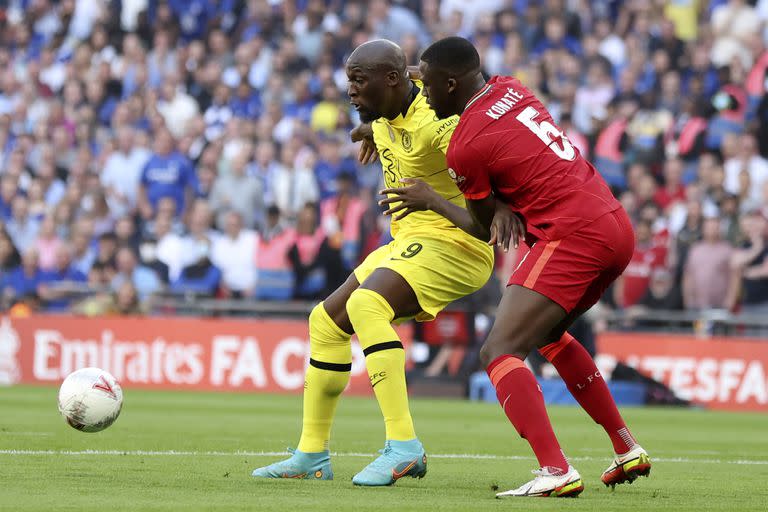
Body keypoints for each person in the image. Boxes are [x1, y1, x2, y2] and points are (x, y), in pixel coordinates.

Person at [381, 37, 650, 497]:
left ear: (451, 83)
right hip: (613, 224)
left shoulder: (464, 146)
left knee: (498, 350)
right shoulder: (512, 88)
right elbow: (448, 79)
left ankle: (555, 470)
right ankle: (626, 447)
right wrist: (379, 121)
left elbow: (484, 229)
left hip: (573, 235)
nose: (422, 95)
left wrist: (432, 199)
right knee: (547, 335)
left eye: (427, 86)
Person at [252, 40, 496, 486]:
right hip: (411, 241)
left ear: (390, 79)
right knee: (324, 322)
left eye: (358, 80)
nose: (350, 91)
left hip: (458, 244)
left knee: (367, 306)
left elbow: (487, 166)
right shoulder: (384, 112)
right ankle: (311, 455)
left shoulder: (438, 124)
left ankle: (404, 446)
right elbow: (404, 101)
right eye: (349, 80)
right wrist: (371, 131)